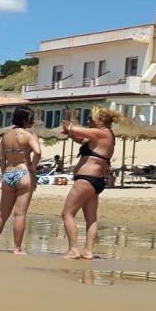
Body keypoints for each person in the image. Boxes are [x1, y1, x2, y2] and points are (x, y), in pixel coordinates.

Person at [59, 108, 119, 259]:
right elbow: (82, 139)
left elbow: (78, 130)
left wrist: (69, 127)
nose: (88, 121)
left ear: (101, 121)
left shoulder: (102, 133)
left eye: (91, 119)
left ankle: (73, 249)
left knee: (67, 214)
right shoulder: (104, 135)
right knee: (91, 218)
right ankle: (88, 251)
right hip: (95, 181)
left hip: (86, 180)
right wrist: (70, 134)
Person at [0, 106, 42, 255]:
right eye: (31, 119)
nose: (32, 122)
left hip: (8, 173)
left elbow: (1, 158)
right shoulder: (30, 135)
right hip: (23, 173)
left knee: (1, 214)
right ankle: (17, 248)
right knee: (20, 214)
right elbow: (37, 152)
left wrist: (3, 173)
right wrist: (32, 166)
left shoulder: (6, 136)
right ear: (25, 120)